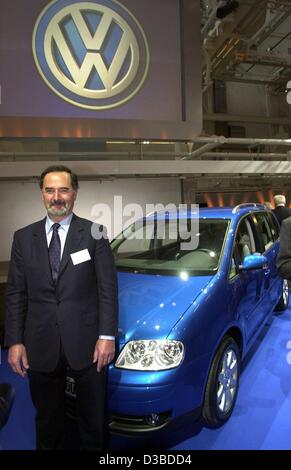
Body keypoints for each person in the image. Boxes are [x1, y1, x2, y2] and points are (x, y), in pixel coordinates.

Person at [5, 165, 118, 450]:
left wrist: (107, 336)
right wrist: (15, 341)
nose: (57, 197)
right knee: (47, 421)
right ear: (42, 194)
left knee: (92, 424)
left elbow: (107, 289)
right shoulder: (22, 237)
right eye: (50, 190)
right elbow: (16, 293)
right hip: (40, 343)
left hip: (88, 344)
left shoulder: (95, 233)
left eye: (63, 189)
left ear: (75, 193)